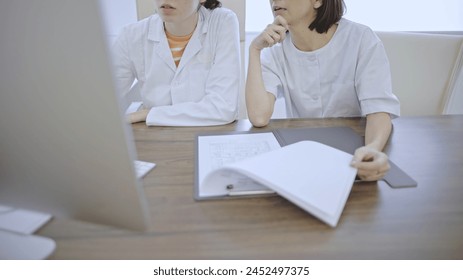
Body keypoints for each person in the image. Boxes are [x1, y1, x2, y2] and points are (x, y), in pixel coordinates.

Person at [246, 0, 400, 181]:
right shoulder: (274, 50)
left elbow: (379, 110)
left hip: (354, 154)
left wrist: (373, 148)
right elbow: (259, 117)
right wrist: (254, 49)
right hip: (304, 158)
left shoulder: (361, 39)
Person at [112, 0, 241, 126]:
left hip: (208, 136)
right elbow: (101, 99)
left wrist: (149, 114)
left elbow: (223, 108)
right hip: (155, 138)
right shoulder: (131, 35)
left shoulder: (222, 22)